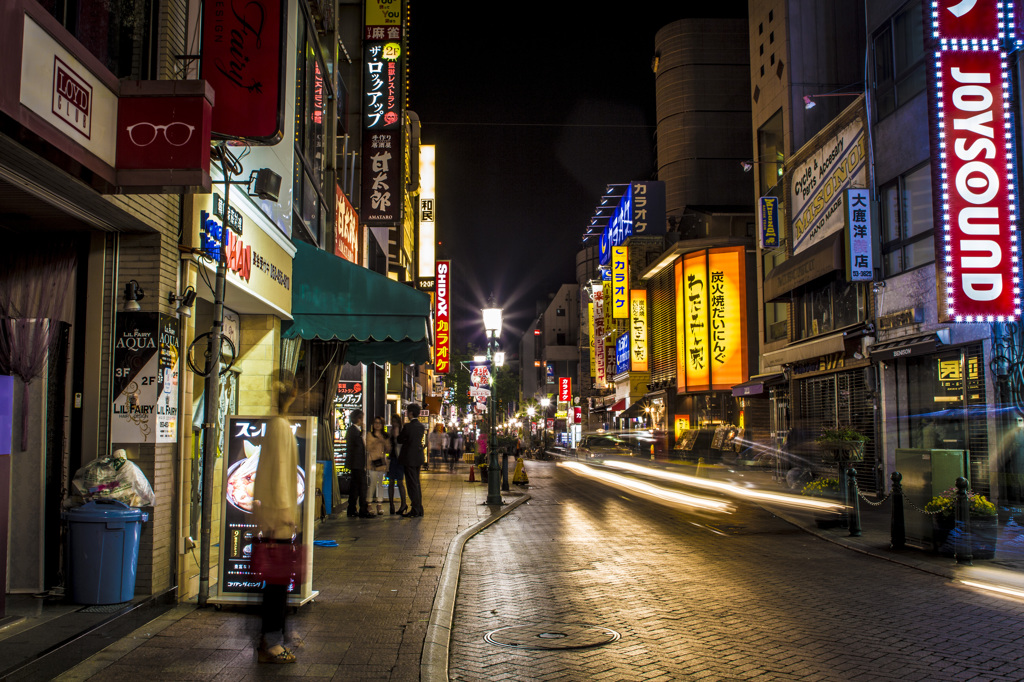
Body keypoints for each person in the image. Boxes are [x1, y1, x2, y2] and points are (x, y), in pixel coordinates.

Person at [253, 380, 301, 664]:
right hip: (278, 516)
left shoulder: (275, 423)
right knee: (278, 583)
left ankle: (275, 635)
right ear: (292, 394)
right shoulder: (281, 426)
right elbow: (282, 471)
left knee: (277, 581)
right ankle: (272, 641)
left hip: (272, 513)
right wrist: (286, 513)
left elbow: (266, 469)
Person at [397, 403, 426, 517]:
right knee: (416, 483)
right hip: (418, 457)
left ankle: (416, 509)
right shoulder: (421, 426)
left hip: (409, 458)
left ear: (410, 413)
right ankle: (419, 508)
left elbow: (400, 439)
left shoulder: (408, 426)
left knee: (411, 484)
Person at [345, 409, 373, 518]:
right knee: (362, 486)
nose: (362, 421)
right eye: (362, 418)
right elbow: (357, 445)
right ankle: (362, 509)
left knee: (355, 487)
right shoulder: (354, 431)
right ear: (358, 419)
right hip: (357, 463)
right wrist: (363, 432)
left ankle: (352, 509)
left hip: (356, 463)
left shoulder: (353, 430)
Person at [366, 416, 390, 516]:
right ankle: (369, 503)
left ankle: (379, 504)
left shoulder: (385, 436)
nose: (377, 425)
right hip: (372, 461)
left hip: (381, 462)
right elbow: (368, 447)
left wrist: (384, 441)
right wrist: (377, 441)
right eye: (376, 423)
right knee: (372, 483)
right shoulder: (370, 435)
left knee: (380, 483)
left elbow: (388, 449)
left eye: (379, 423)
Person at [387, 414, 407, 515]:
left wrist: (396, 436)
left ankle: (404, 503)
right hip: (392, 458)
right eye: (392, 421)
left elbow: (401, 444)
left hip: (399, 459)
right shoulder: (391, 431)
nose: (394, 423)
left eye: (395, 421)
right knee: (390, 481)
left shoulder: (402, 432)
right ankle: (391, 505)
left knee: (400, 482)